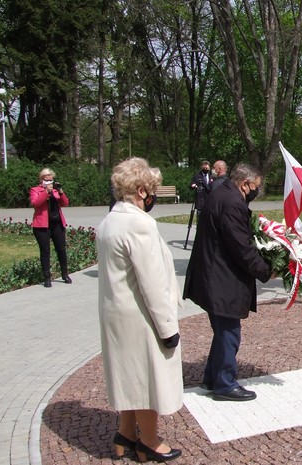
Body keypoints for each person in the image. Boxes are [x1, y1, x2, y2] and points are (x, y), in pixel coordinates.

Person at [96, 158, 183, 462]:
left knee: (129, 375)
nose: (153, 197)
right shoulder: (140, 224)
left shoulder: (109, 221)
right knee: (146, 378)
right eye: (152, 190)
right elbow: (152, 283)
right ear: (142, 190)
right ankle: (148, 440)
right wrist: (168, 329)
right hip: (140, 315)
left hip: (116, 311)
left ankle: (125, 433)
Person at [183, 164, 274, 402]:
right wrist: (267, 270)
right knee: (229, 332)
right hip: (221, 278)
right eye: (255, 187)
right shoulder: (232, 203)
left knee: (223, 330)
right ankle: (225, 384)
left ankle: (211, 378)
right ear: (244, 184)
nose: (256, 191)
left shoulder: (221, 193)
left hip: (213, 274)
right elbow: (241, 247)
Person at [30, 168, 71, 288]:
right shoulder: (35, 190)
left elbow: (65, 203)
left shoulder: (55, 190)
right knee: (45, 251)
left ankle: (65, 274)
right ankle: (47, 277)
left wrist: (61, 191)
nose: (49, 182)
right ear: (41, 180)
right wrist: (46, 192)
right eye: (46, 180)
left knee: (61, 249)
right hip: (42, 226)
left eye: (51, 180)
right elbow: (36, 203)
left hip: (57, 224)